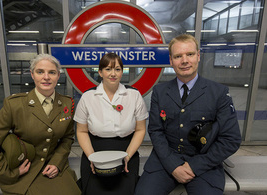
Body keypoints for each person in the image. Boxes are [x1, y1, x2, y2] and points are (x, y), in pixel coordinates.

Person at [135, 34, 241, 195]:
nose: (184, 61)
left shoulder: (218, 93)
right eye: (178, 56)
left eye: (189, 54)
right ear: (171, 61)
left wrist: (194, 166)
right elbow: (156, 131)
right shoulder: (160, 91)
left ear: (198, 56)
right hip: (165, 160)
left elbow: (231, 139)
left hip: (204, 162)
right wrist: (173, 165)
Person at [0, 54, 81, 195]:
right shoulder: (15, 105)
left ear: (58, 76)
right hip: (24, 171)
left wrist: (57, 162)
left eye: (52, 72)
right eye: (40, 72)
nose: (46, 77)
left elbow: (67, 138)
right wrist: (9, 172)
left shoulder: (67, 104)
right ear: (32, 75)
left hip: (52, 168)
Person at [74, 52, 149, 195]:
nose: (113, 73)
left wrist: (127, 156)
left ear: (122, 72)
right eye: (108, 69)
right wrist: (92, 158)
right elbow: (81, 131)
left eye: (117, 69)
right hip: (94, 150)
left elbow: (140, 130)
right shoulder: (88, 96)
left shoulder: (134, 95)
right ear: (100, 72)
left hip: (126, 149)